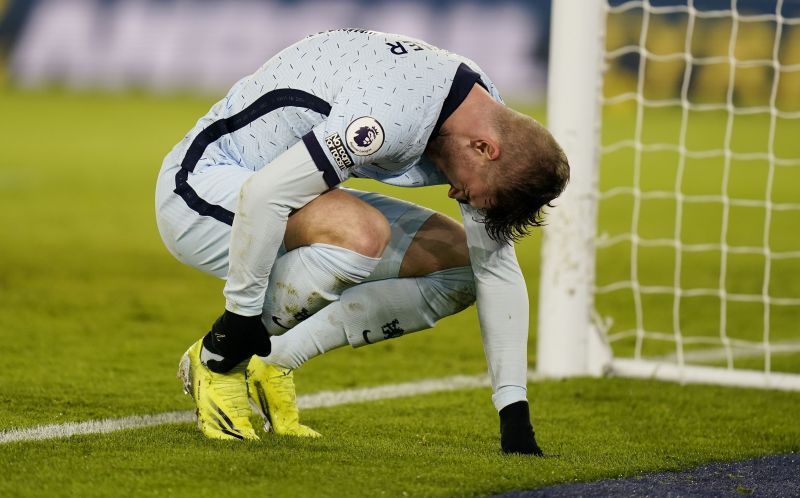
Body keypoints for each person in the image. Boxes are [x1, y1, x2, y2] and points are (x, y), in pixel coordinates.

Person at [155, 29, 569, 454]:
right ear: (485, 148)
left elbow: (494, 268)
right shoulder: (388, 117)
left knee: (462, 267)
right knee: (361, 234)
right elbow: (264, 195)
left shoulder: (479, 111)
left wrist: (513, 412)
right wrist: (239, 321)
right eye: (475, 190)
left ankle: (274, 358)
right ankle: (218, 360)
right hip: (198, 190)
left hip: (284, 188)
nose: (456, 194)